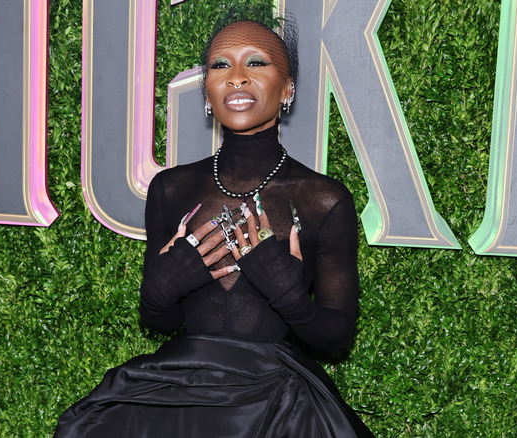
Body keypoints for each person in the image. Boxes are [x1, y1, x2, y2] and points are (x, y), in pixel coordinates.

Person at [56, 7, 374, 437]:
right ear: (206, 92)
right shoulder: (171, 189)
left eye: (256, 62)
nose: (236, 77)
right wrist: (161, 289)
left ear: (288, 90)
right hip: (173, 400)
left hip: (278, 407)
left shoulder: (324, 198)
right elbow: (160, 321)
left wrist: (288, 295)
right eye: (220, 65)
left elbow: (335, 334)